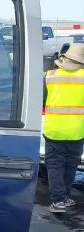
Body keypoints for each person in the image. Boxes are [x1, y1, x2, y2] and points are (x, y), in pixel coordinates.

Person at [43, 43, 84, 213]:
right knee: (71, 165)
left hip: (54, 130)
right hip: (77, 131)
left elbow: (41, 101)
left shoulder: (49, 76)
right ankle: (65, 197)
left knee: (55, 166)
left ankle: (58, 201)